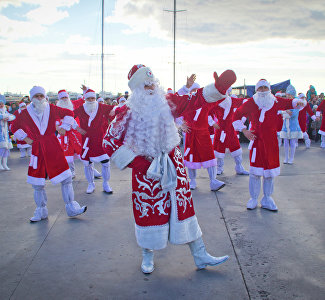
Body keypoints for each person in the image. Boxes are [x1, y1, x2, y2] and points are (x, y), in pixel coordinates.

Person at [103, 64, 236, 274]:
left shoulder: (168, 102)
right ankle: (147, 255)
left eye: (152, 83)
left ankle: (200, 254)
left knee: (184, 208)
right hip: (147, 172)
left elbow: (196, 99)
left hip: (174, 165)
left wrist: (218, 87)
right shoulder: (124, 112)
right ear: (136, 89)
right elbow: (109, 142)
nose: (150, 87)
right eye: (145, 85)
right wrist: (140, 164)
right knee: (149, 213)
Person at [11, 86, 87, 222]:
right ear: (32, 98)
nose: (40, 98)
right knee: (38, 183)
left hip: (53, 146)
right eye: (37, 96)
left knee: (67, 178)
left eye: (41, 96)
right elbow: (14, 126)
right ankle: (41, 211)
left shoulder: (51, 108)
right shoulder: (25, 113)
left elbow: (69, 113)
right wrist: (25, 137)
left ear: (44, 97)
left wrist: (64, 127)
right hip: (37, 149)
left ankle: (71, 207)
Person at [232, 79, 305, 211]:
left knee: (269, 173)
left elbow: (291, 103)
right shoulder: (251, 102)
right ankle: (253, 198)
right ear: (257, 90)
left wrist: (299, 102)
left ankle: (267, 199)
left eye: (265, 88)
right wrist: (244, 131)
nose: (263, 90)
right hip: (256, 142)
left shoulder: (275, 100)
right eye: (260, 88)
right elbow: (236, 115)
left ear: (269, 89)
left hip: (271, 143)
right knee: (255, 173)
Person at [179, 75, 225, 191]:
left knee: (209, 156)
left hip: (204, 134)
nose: (194, 92)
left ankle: (213, 181)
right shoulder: (185, 103)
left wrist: (221, 87)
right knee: (190, 158)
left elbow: (219, 98)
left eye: (196, 90)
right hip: (191, 134)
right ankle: (192, 180)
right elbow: (175, 111)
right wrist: (181, 125)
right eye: (192, 90)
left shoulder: (206, 103)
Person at [73, 88, 114, 194]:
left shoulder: (101, 107)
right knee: (88, 163)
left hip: (100, 139)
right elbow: (69, 116)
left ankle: (106, 183)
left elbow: (115, 110)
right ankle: (91, 183)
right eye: (89, 98)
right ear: (85, 99)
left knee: (105, 162)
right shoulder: (81, 108)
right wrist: (77, 128)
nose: (91, 100)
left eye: (93, 98)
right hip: (87, 140)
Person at [210, 88, 249, 175]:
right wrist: (212, 123)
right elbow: (207, 112)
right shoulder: (215, 103)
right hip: (220, 130)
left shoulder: (232, 100)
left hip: (230, 129)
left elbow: (244, 102)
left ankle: (239, 167)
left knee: (236, 148)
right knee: (219, 150)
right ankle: (219, 168)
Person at [56, 90, 83, 178]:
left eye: (65, 97)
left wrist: (85, 90)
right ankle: (72, 171)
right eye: (62, 98)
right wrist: (58, 128)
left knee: (82, 151)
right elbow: (54, 122)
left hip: (76, 133)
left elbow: (84, 99)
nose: (64, 99)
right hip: (64, 135)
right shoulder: (56, 109)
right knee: (68, 154)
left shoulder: (73, 104)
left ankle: (91, 170)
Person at [279, 85, 304, 164]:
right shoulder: (285, 102)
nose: (288, 96)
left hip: (293, 125)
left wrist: (285, 112)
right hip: (285, 126)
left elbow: (293, 114)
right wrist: (285, 111)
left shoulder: (297, 102)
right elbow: (280, 112)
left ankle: (291, 158)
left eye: (289, 95)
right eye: (287, 94)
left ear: (293, 95)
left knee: (292, 142)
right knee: (285, 142)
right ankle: (286, 158)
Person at [0, 94, 15, 170]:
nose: (1, 105)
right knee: (1, 148)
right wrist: (4, 117)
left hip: (5, 133)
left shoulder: (5, 111)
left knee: (6, 149)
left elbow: (13, 116)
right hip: (0, 133)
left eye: (2, 104)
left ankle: (4, 164)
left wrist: (7, 117)